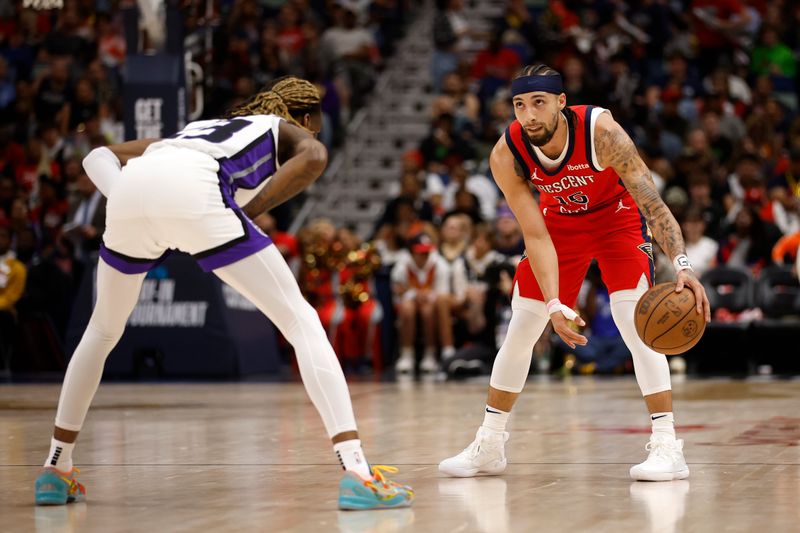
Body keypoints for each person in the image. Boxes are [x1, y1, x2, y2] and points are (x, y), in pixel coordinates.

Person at [34, 76, 413, 510]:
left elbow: (96, 156)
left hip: (129, 194)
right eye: (316, 123)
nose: (315, 131)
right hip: (198, 195)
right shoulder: (281, 128)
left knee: (101, 331)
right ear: (305, 117)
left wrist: (126, 194)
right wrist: (248, 212)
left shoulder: (195, 132)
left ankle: (55, 468)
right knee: (300, 322)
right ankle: (358, 473)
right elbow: (315, 155)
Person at [439, 64, 711, 482]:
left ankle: (667, 444)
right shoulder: (506, 153)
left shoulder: (602, 132)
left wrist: (683, 266)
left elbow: (652, 205)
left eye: (539, 103)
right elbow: (535, 235)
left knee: (635, 323)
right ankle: (490, 445)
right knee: (522, 327)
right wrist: (553, 304)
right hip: (558, 226)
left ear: (561, 103)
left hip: (616, 219)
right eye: (519, 105)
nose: (528, 115)